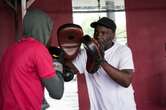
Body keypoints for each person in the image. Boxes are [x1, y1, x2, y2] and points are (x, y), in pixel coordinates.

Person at [0, 9, 64, 110]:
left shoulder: (10, 50)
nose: (50, 37)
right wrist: (58, 65)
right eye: (49, 31)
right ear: (44, 30)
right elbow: (57, 92)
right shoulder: (38, 50)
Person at [71, 17, 136, 110]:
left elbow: (126, 81)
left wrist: (101, 60)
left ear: (113, 35)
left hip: (123, 107)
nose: (98, 36)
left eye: (103, 33)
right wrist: (68, 52)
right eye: (96, 32)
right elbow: (70, 71)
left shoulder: (123, 51)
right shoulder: (86, 52)